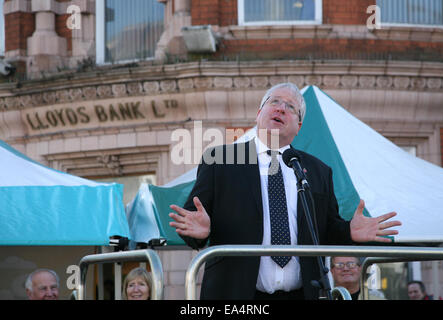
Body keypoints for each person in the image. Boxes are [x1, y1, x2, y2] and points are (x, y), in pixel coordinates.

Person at [169, 82, 401, 300]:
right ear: (258, 114)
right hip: (236, 294)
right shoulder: (220, 161)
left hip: (301, 293)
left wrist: (349, 231)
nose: (281, 108)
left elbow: (326, 231)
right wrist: (199, 232)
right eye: (274, 102)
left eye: (290, 107)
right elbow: (191, 221)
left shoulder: (318, 171)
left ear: (299, 126)